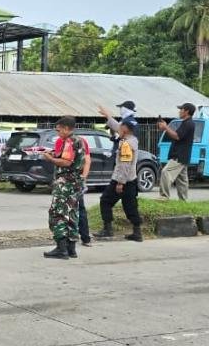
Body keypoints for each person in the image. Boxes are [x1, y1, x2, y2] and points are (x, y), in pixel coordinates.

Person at [41, 116, 86, 260]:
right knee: (72, 214)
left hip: (65, 183)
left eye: (59, 130)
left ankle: (61, 248)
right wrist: (54, 154)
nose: (58, 133)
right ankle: (71, 248)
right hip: (76, 183)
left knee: (58, 213)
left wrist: (51, 159)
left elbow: (66, 162)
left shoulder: (69, 141)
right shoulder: (79, 141)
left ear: (66, 128)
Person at [96, 106, 144, 242]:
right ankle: (137, 232)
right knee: (130, 206)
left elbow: (124, 164)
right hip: (131, 180)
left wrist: (120, 183)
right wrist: (108, 116)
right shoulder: (133, 139)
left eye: (121, 126)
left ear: (126, 129)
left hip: (121, 180)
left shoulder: (126, 144)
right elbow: (117, 127)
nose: (119, 128)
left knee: (105, 201)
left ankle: (107, 230)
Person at [158, 103, 196, 202]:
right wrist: (166, 128)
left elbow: (177, 136)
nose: (179, 111)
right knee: (182, 179)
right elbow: (176, 135)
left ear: (187, 111)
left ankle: (164, 197)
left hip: (179, 155)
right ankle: (183, 201)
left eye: (181, 109)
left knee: (166, 172)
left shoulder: (188, 123)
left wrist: (166, 127)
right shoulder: (187, 123)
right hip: (183, 156)